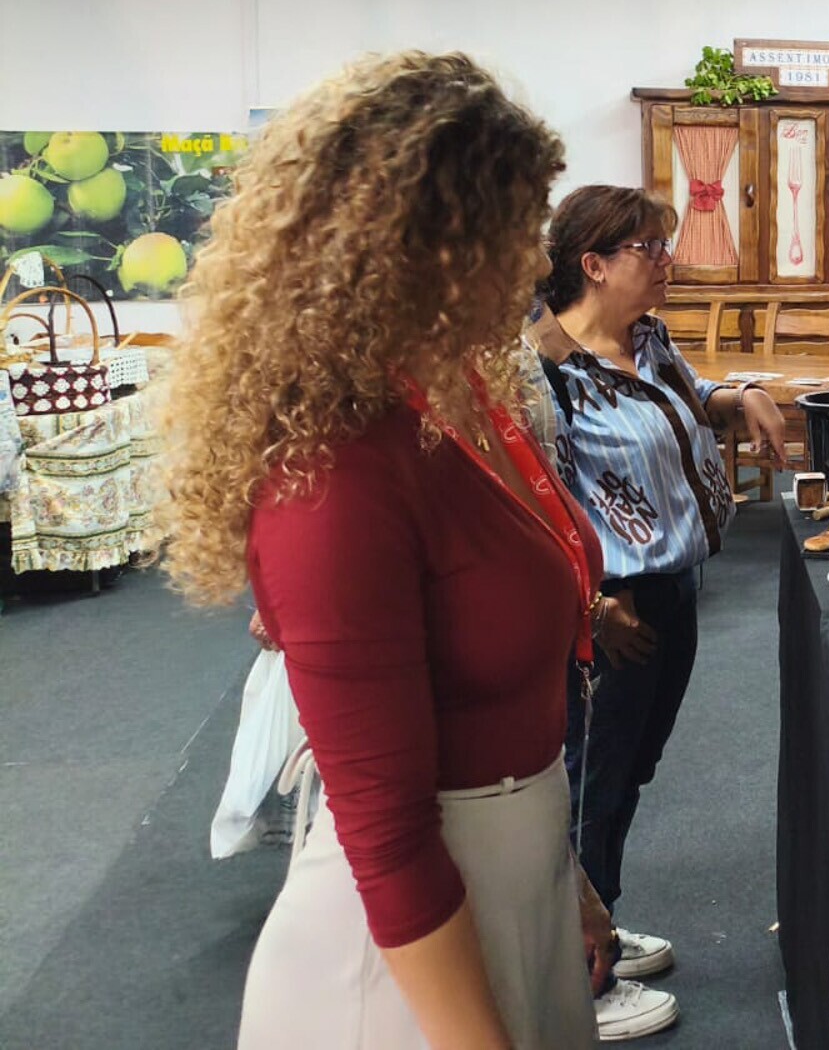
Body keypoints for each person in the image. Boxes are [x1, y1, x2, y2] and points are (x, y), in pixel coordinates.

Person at [162, 51, 626, 1049]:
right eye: (513, 230)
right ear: (427, 243)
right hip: (403, 968)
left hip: (505, 883)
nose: (531, 265)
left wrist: (565, 876)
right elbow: (384, 830)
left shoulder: (445, 408)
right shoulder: (332, 478)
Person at [527, 184, 786, 1041]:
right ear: (593, 264)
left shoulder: (648, 338)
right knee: (591, 783)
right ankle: (577, 980)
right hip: (615, 608)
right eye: (650, 249)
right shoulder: (545, 367)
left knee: (630, 771)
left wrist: (734, 396)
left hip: (675, 589)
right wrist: (592, 604)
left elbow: (687, 392)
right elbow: (538, 501)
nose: (668, 263)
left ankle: (598, 923)